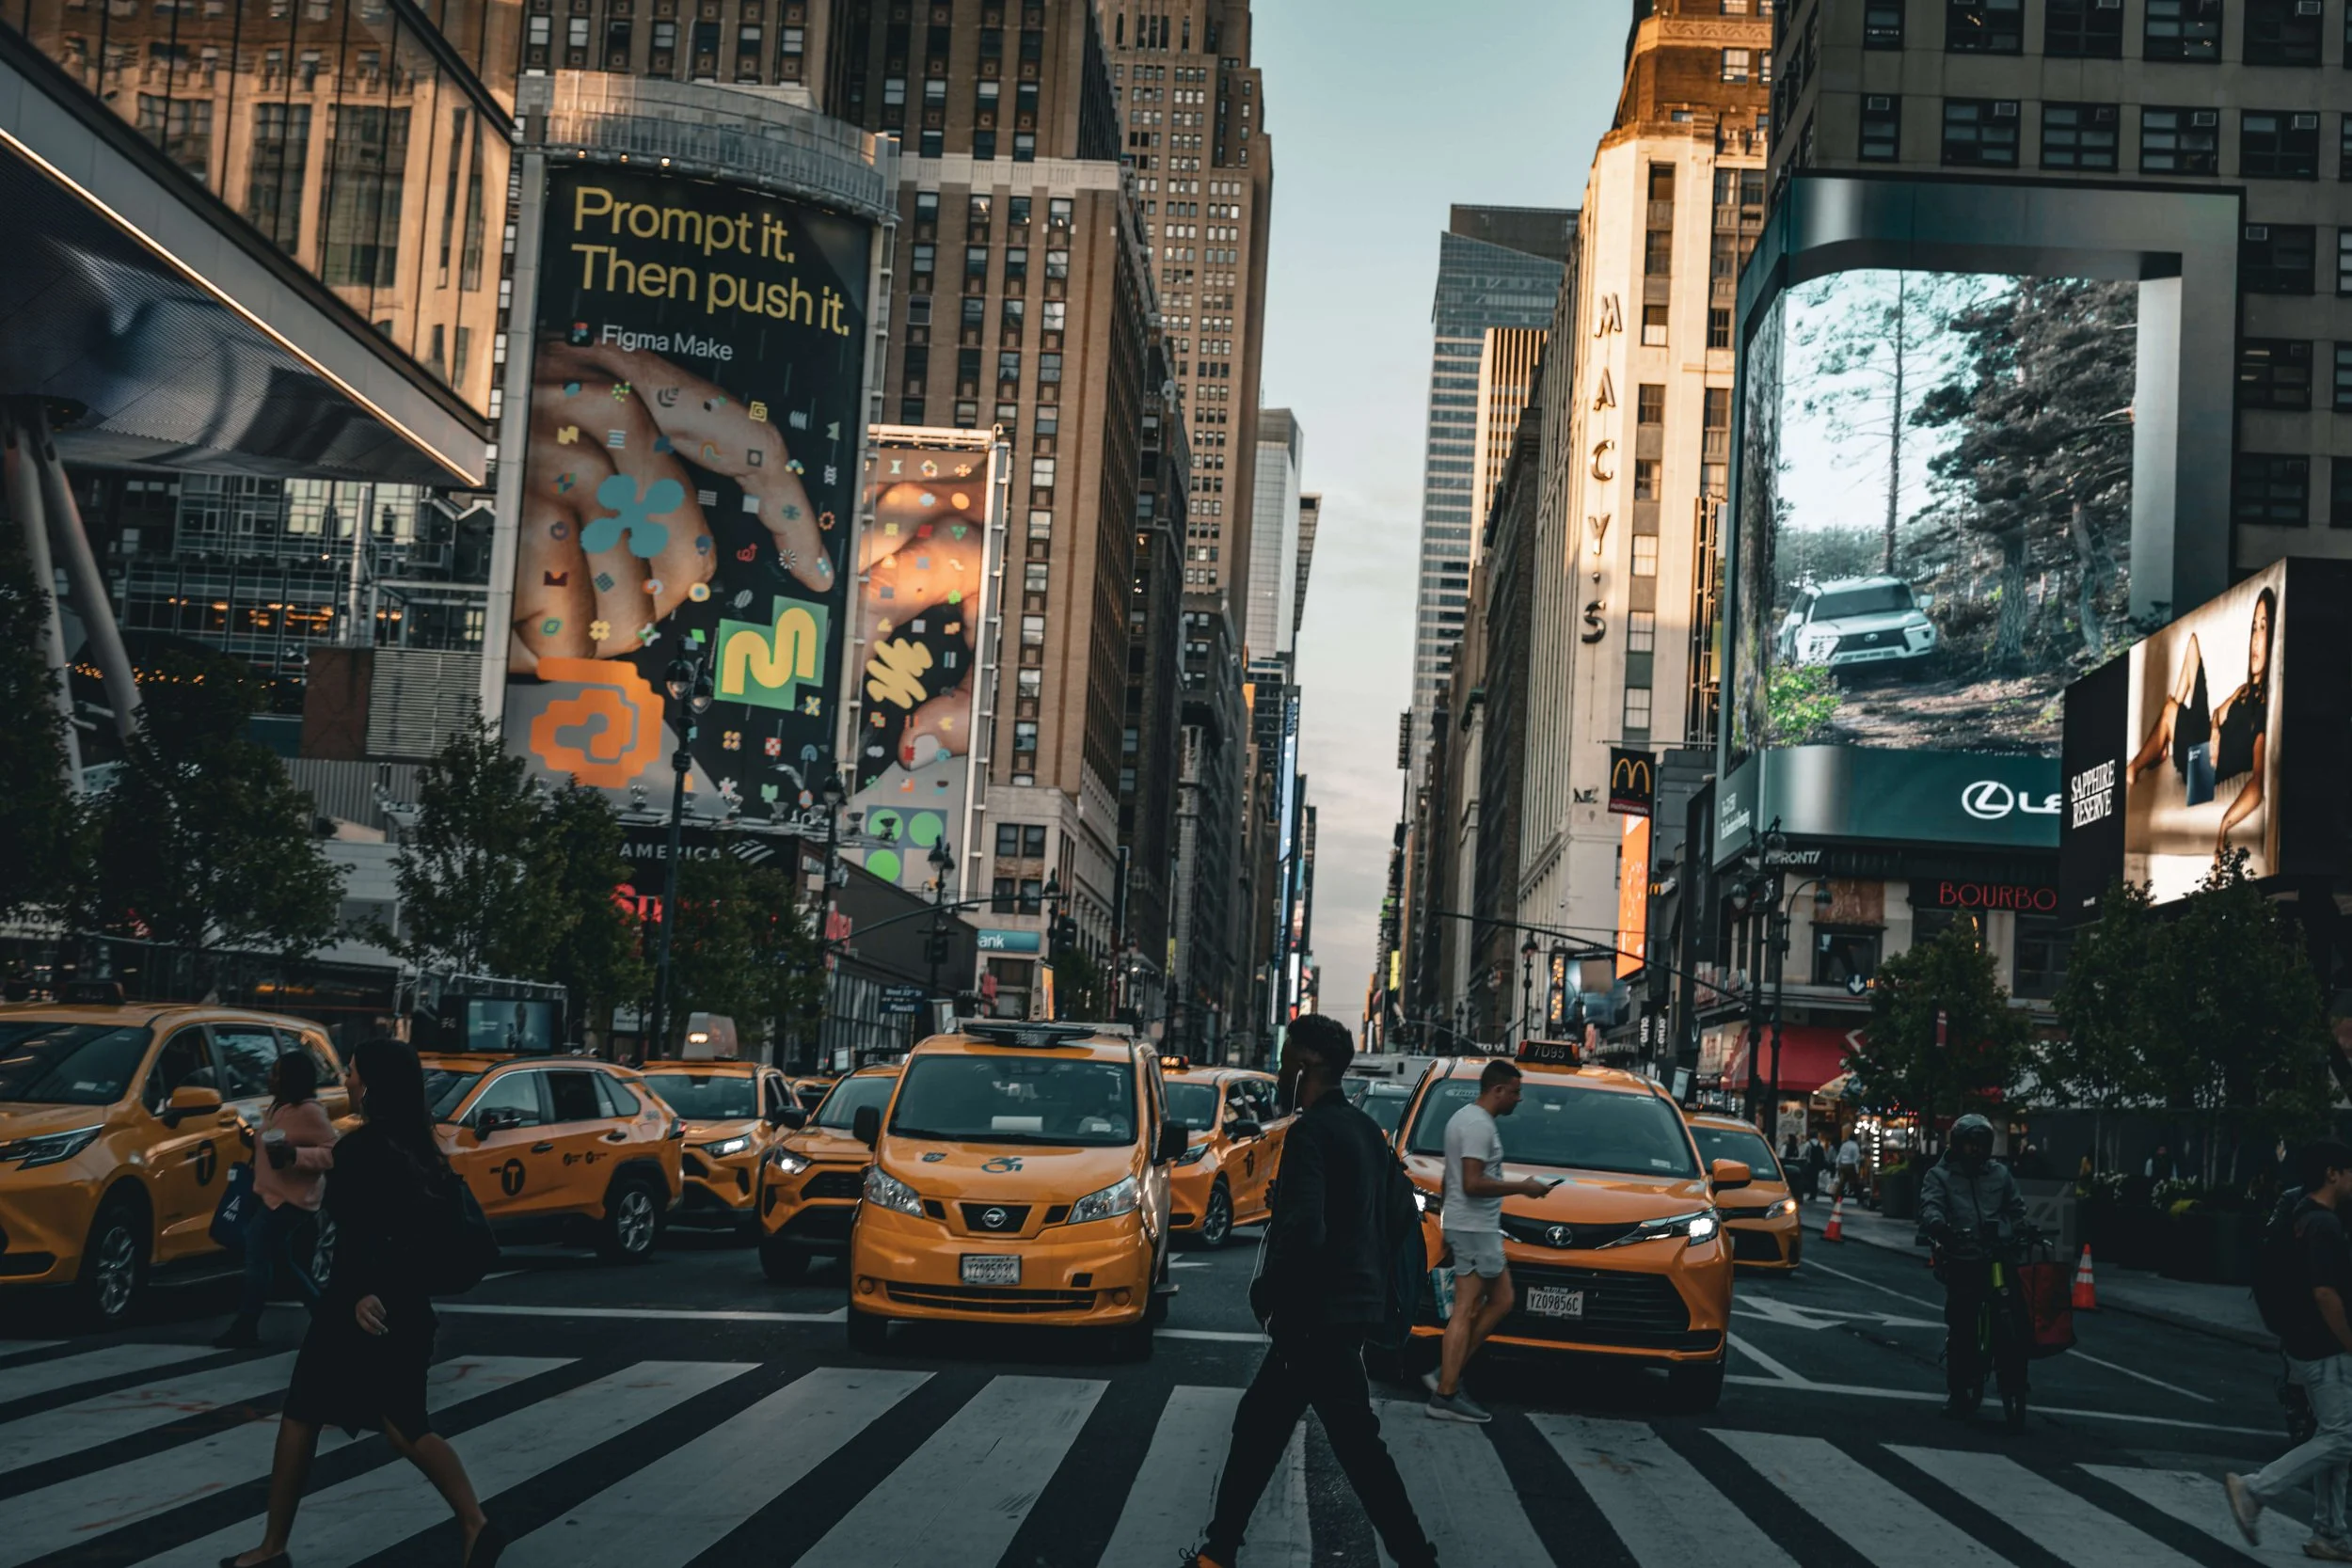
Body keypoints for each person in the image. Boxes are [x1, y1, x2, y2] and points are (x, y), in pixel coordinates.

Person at [223, 1039, 504, 1568]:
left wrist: (360, 1293)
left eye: (352, 1074)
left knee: (301, 1414)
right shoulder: (423, 1150)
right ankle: (475, 1522)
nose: (347, 1082)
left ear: (372, 1085)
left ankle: (270, 1548)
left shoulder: (361, 1152)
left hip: (354, 1309)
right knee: (406, 1424)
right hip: (407, 1309)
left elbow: (358, 1238)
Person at [1185, 1015, 1436, 1568]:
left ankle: (1418, 1559)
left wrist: (1268, 1293)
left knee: (1352, 1446)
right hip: (1348, 1311)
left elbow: (1305, 1230)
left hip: (1314, 1315)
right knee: (1264, 1426)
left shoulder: (1311, 1134)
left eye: (1287, 1060)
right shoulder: (1368, 1133)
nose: (1279, 1071)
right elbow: (1398, 1220)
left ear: (1310, 1066)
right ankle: (1218, 1549)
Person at [2228, 1141, 2352, 1557]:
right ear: (2333, 1174)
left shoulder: (2299, 1216)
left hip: (2303, 1343)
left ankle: (2330, 1533)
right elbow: (2324, 1292)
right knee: (2343, 1435)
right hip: (2325, 1346)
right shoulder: (2324, 1225)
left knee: (2334, 1433)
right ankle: (2255, 1489)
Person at [1428, 1059, 1549, 1424]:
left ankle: (1448, 1370)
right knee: (1465, 1309)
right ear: (1497, 1090)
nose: (1519, 1098)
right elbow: (1472, 1183)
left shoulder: (1462, 1119)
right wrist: (1524, 1187)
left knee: (1502, 1299)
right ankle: (1445, 1393)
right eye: (1515, 1091)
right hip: (1476, 1227)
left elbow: (1452, 1181)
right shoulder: (1478, 1126)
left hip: (1470, 1226)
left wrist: (1449, 1225)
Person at [2125, 584, 2273, 857]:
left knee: (2171, 709)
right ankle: (2165, 735)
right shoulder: (2245, 691)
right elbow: (2217, 712)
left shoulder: (2262, 708)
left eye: (2263, 629)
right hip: (2205, 742)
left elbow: (2258, 779)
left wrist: (2223, 827)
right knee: (2192, 645)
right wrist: (2215, 731)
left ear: (2273, 637)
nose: (2255, 639)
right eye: (2254, 628)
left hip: (2204, 773)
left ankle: (2139, 762)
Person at [215, 1052, 338, 1349]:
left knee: (257, 1257)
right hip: (269, 1195)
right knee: (281, 1263)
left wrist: (294, 1155)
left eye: (276, 1073)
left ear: (291, 1079)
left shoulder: (309, 1112)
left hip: (289, 1201)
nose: (270, 1077)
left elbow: (333, 1153)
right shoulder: (279, 1107)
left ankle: (246, 1324)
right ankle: (325, 1315)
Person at [1918, 1113, 2029, 1426]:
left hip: (1998, 1256)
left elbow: (2016, 1208)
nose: (1975, 1151)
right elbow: (1931, 1206)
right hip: (1963, 1258)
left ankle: (2016, 1381)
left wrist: (2020, 1228)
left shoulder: (2000, 1175)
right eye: (1969, 1145)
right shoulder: (1939, 1176)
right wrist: (1940, 1227)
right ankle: (1958, 1391)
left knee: (2017, 1316)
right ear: (1957, 1145)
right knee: (1962, 1324)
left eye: (1980, 1144)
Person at [1836, 1131, 1863, 1200]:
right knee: (1855, 1181)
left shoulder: (1844, 1145)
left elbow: (1840, 1155)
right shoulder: (1855, 1146)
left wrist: (1837, 1165)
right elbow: (1856, 1158)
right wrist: (1857, 1169)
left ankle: (1836, 1196)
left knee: (1841, 1182)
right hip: (1850, 1165)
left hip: (1842, 1164)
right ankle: (1858, 1196)